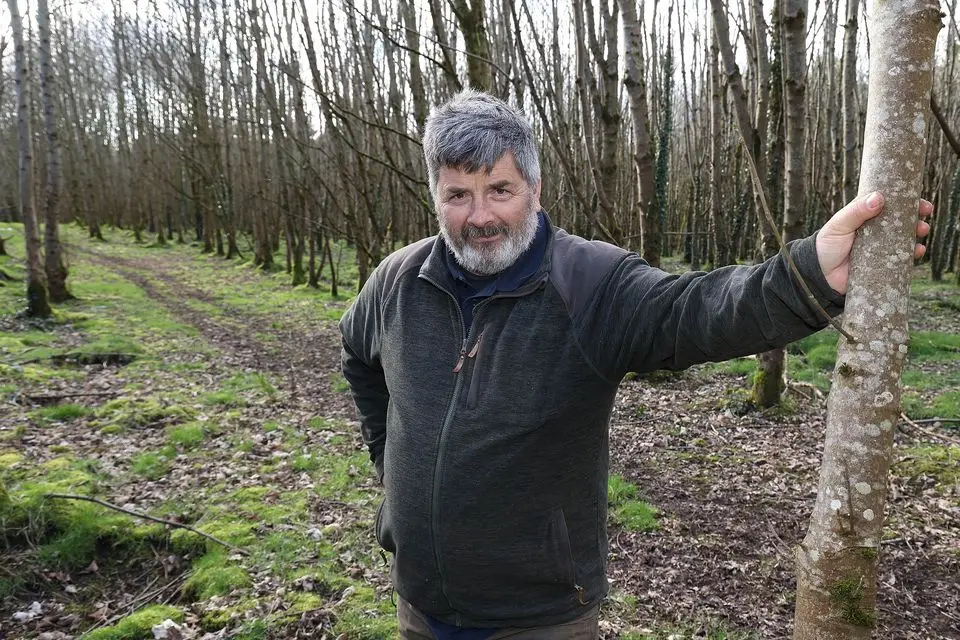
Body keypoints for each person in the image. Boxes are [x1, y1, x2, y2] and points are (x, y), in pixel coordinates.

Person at [338, 90, 932, 639]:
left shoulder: (590, 283)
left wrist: (807, 275)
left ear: (535, 189)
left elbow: (695, 310)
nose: (481, 215)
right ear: (436, 197)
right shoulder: (398, 282)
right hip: (420, 603)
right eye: (458, 195)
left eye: (500, 189)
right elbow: (357, 354)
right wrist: (392, 465)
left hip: (538, 616)